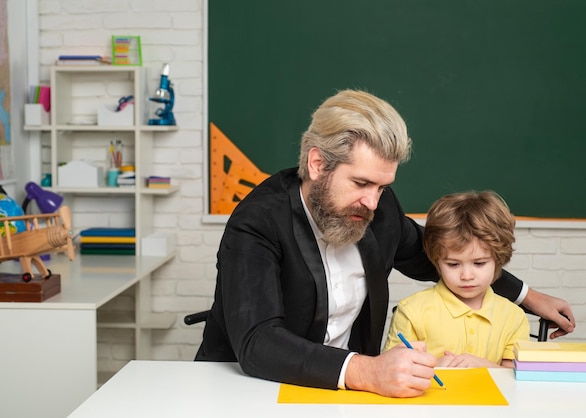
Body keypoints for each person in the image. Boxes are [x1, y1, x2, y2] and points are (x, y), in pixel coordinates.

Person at [195, 89, 575, 397]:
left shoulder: (379, 208)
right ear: (317, 164)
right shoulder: (256, 222)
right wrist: (368, 370)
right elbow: (259, 342)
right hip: (246, 388)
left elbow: (439, 257)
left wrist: (526, 296)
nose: (373, 203)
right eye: (361, 184)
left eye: (383, 187)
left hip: (341, 393)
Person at [383, 191, 530, 368]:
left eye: (479, 263)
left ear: (498, 259)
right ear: (436, 260)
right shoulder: (412, 311)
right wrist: (435, 367)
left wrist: (482, 366)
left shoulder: (513, 317)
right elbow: (392, 371)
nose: (467, 276)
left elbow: (514, 381)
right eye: (453, 264)